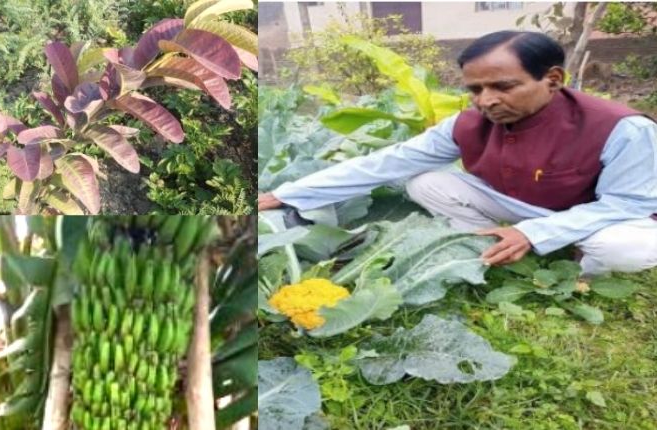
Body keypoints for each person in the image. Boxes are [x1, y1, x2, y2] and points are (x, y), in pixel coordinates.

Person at [258, 30, 657, 276]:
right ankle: (483, 246)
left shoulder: (622, 128)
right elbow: (385, 162)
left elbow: (627, 203)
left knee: (625, 247)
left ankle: (581, 272)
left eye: (503, 86)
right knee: (426, 182)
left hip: (602, 217)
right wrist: (290, 194)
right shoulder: (468, 124)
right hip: (522, 207)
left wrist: (536, 232)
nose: (486, 101)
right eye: (475, 89)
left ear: (552, 79)